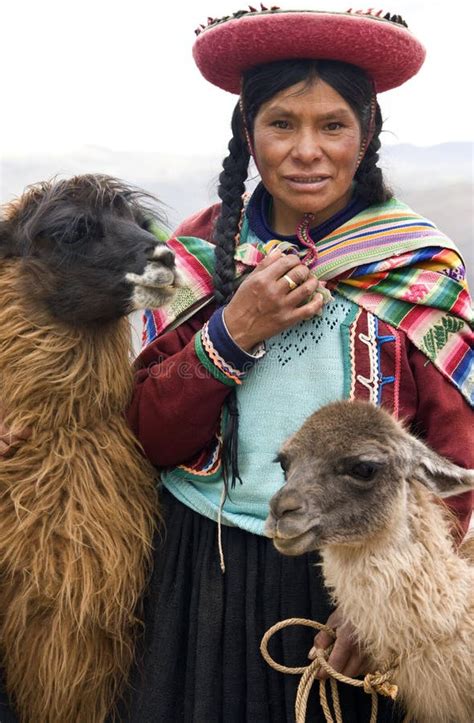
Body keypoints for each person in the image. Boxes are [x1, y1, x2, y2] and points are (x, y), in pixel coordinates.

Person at [1, 7, 472, 723]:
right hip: (199, 581)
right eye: (282, 124)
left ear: (366, 132)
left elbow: (458, 465)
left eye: (333, 125)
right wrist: (233, 329)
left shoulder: (416, 269)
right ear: (248, 133)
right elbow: (149, 435)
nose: (307, 150)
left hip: (349, 585)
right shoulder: (196, 259)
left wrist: (391, 605)